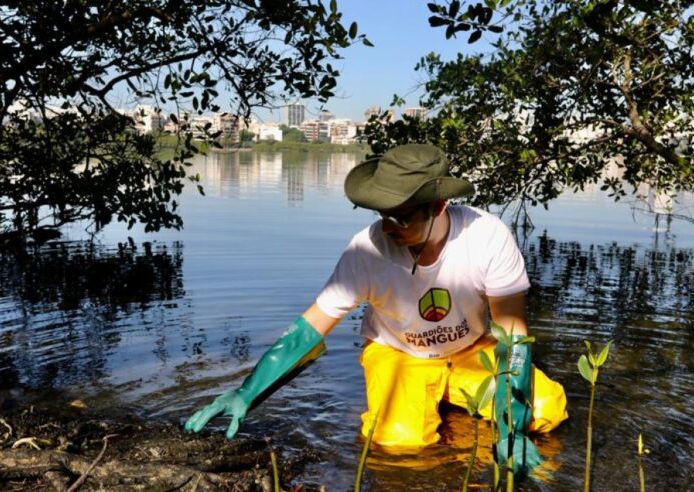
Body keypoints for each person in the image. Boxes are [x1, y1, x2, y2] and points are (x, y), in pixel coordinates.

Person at [185, 144, 568, 477]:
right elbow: (311, 328)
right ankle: (448, 421)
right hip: (398, 353)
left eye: (400, 217)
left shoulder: (486, 236)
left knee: (545, 411)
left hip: (469, 351)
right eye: (380, 213)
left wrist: (513, 432)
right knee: (400, 447)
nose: (387, 227)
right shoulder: (366, 251)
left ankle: (453, 408)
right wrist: (247, 392)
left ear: (438, 206)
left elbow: (512, 334)